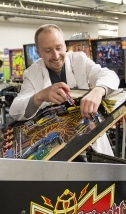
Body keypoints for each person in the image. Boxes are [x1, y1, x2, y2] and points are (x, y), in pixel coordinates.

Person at [9, 24, 120, 157]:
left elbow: (110, 76)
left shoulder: (79, 59)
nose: (56, 56)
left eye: (59, 48)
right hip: (54, 146)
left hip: (89, 141)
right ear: (38, 52)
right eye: (48, 50)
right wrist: (40, 96)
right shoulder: (32, 73)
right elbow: (15, 110)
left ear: (65, 46)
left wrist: (98, 91)